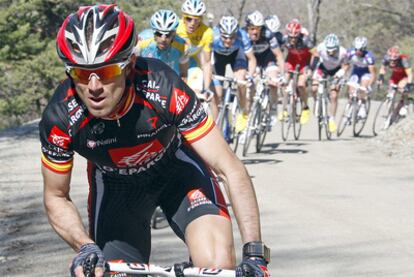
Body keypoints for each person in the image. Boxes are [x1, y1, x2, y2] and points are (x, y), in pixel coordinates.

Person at [39, 4, 269, 277]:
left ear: (129, 66)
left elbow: (230, 168)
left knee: (217, 263)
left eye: (106, 72)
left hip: (177, 171)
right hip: (117, 188)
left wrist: (255, 253)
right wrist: (84, 246)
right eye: (79, 73)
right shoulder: (61, 116)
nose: (94, 87)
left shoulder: (162, 85)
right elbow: (55, 195)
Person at [212, 16, 257, 135]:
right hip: (218, 60)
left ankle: (243, 111)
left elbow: (251, 59)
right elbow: (206, 60)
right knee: (217, 95)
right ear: (220, 33)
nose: (228, 40)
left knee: (241, 80)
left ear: (236, 34)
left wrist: (250, 75)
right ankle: (216, 127)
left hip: (236, 57)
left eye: (232, 37)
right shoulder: (213, 35)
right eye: (225, 37)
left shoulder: (243, 36)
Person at [244, 11, 285, 127]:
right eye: (252, 28)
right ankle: (248, 118)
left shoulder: (268, 34)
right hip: (252, 61)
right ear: (247, 27)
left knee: (273, 82)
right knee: (249, 89)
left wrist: (281, 75)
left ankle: (273, 109)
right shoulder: (242, 34)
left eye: (258, 28)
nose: (255, 32)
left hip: (268, 60)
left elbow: (279, 56)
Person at [177, 0, 214, 99]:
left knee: (194, 94)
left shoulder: (207, 32)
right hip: (175, 62)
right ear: (183, 16)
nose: (192, 23)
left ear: (201, 19)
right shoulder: (176, 26)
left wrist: (206, 88)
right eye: (188, 19)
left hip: (192, 64)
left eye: (196, 20)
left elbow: (206, 63)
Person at [310, 33, 348, 132]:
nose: (331, 52)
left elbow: (346, 66)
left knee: (334, 95)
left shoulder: (343, 52)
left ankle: (331, 119)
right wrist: (311, 68)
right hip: (323, 68)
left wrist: (341, 74)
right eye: (328, 50)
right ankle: (316, 102)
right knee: (314, 88)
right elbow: (313, 54)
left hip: (336, 71)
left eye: (333, 50)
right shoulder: (320, 47)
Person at [280, 19, 314, 124]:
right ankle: (284, 109)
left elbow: (315, 54)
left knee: (301, 85)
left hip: (304, 62)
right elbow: (279, 52)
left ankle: (305, 108)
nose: (293, 39)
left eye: (295, 37)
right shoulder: (284, 40)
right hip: (292, 60)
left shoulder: (306, 40)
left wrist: (311, 69)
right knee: (284, 82)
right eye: (291, 37)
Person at [342, 36, 376, 119]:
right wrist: (343, 76)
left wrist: (369, 85)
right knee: (351, 92)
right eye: (356, 49)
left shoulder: (369, 57)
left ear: (364, 49)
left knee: (362, 89)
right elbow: (345, 65)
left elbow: (373, 74)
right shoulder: (350, 53)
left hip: (366, 73)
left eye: (360, 50)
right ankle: (350, 105)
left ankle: (363, 106)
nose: (357, 51)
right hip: (356, 72)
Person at [378, 46, 413, 116]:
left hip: (405, 76)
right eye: (391, 60)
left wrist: (408, 85)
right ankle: (391, 105)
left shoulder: (403, 60)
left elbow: (410, 74)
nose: (392, 62)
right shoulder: (386, 59)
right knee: (390, 89)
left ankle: (405, 104)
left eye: (395, 61)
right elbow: (382, 69)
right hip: (395, 76)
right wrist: (381, 77)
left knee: (401, 87)